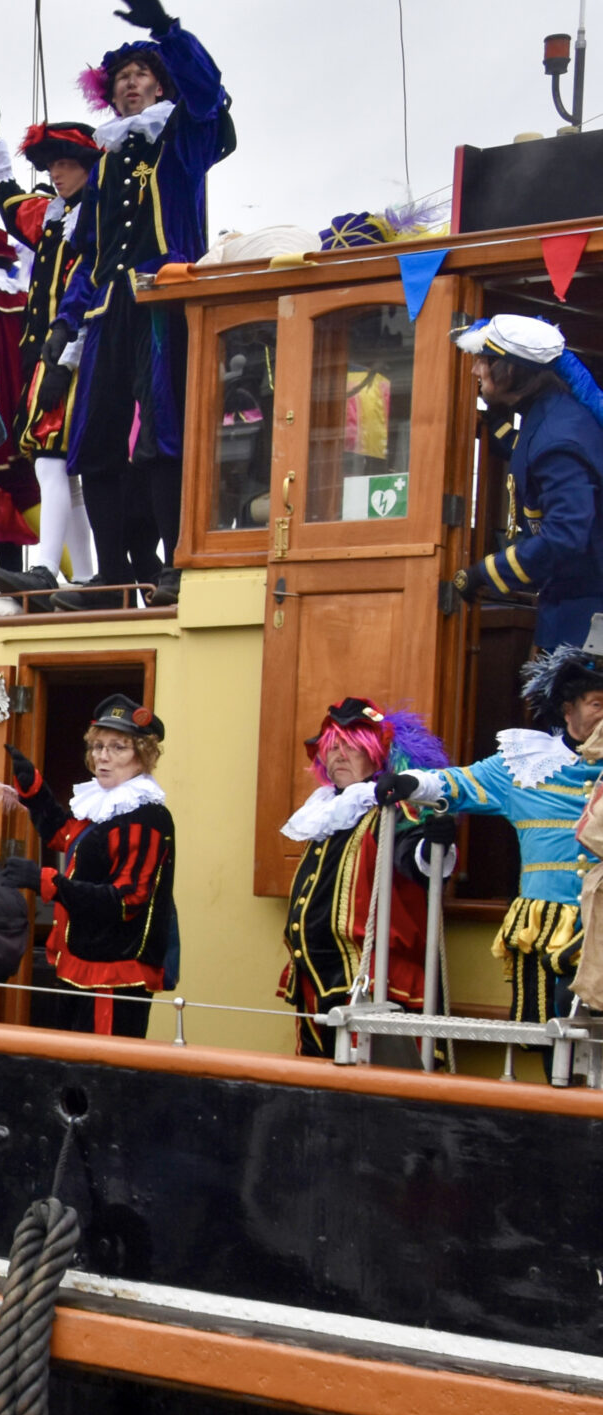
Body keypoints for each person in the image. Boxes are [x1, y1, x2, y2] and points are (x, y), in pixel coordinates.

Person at [46, 0, 232, 611]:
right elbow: (90, 255)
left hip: (163, 300)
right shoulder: (105, 163)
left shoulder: (181, 139)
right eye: (121, 76)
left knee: (162, 435)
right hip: (107, 311)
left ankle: (175, 563)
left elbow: (209, 92)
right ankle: (113, 575)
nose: (129, 82)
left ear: (160, 84)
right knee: (92, 442)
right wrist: (65, 324)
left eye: (141, 73)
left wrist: (167, 32)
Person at [381, 646, 603, 1024]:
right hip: (544, 924)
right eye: (598, 704)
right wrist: (410, 782)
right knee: (549, 1036)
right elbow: (457, 783)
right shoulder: (526, 765)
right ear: (568, 710)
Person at [0, 91, 102, 605]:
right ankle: (90, 580)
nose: (57, 174)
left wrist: (66, 354)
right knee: (64, 476)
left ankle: (47, 569)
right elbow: (5, 196)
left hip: (78, 352)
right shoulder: (50, 215)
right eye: (53, 165)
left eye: (67, 164)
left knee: (53, 464)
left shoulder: (97, 217)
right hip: (46, 358)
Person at [278, 698, 454, 1056]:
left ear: (376, 755)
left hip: (373, 981)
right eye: (333, 746)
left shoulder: (393, 812)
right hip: (315, 975)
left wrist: (434, 843)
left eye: (353, 746)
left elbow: (417, 862)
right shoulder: (326, 812)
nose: (339, 755)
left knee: (372, 1077)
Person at [0, 695, 178, 1037]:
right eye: (97, 746)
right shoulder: (104, 805)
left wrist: (47, 881)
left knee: (101, 1072)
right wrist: (35, 791)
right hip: (79, 961)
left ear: (143, 755)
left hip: (113, 970)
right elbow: (65, 837)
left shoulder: (145, 816)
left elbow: (127, 900)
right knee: (70, 1067)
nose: (102, 757)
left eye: (117, 747)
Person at [447, 315, 603, 651]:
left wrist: (487, 572)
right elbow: (528, 451)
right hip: (572, 608)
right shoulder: (551, 414)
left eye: (483, 361)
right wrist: (497, 426)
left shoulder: (559, 436)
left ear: (511, 369)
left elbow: (565, 535)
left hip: (587, 618)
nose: (476, 371)